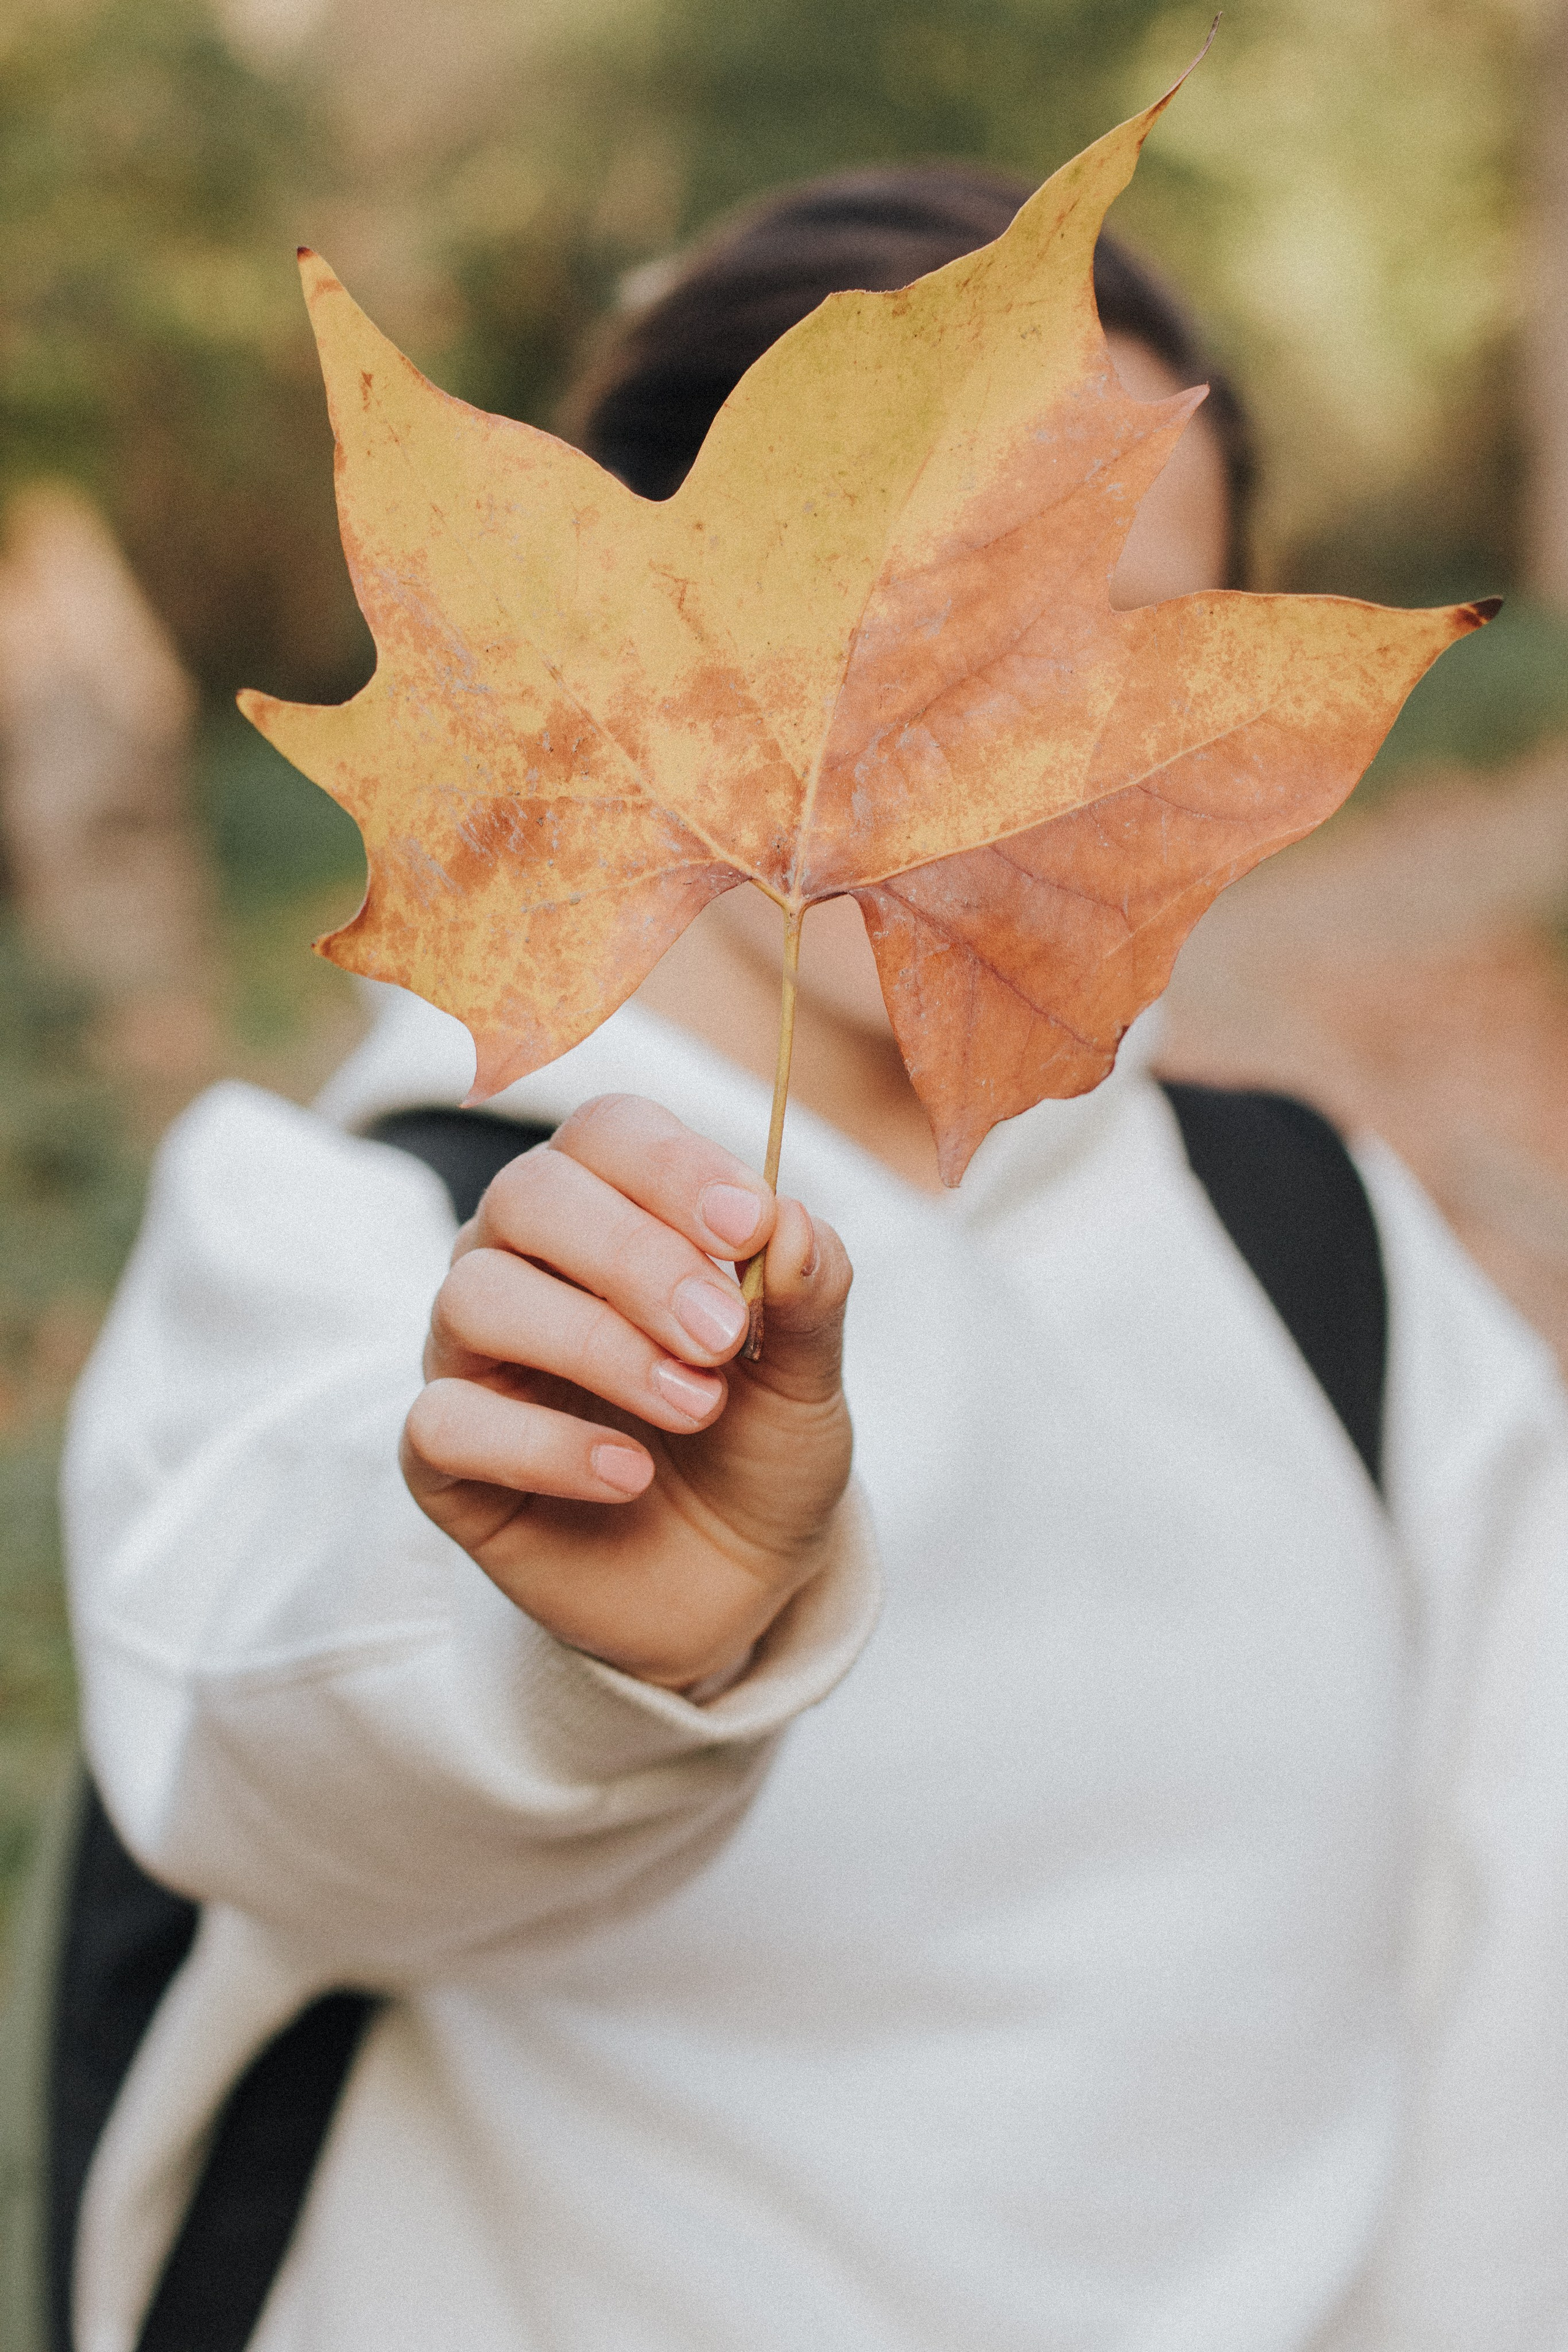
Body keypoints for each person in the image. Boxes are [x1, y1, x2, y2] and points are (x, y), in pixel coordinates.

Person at [57, 167, 1568, 2352]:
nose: (996, 729)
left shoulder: (1328, 1254)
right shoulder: (355, 1234)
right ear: (639, 632)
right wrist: (579, 1648)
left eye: (1114, 646)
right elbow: (263, 1745)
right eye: (927, 607)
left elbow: (1519, 1980)